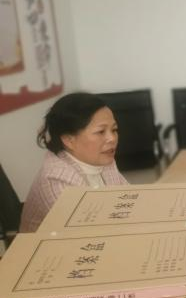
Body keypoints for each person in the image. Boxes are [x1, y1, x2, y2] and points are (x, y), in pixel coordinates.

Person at [20, 92, 128, 232]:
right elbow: (85, 233)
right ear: (69, 140)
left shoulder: (103, 158)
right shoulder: (56, 179)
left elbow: (128, 201)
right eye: (101, 132)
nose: (112, 138)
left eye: (114, 130)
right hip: (59, 244)